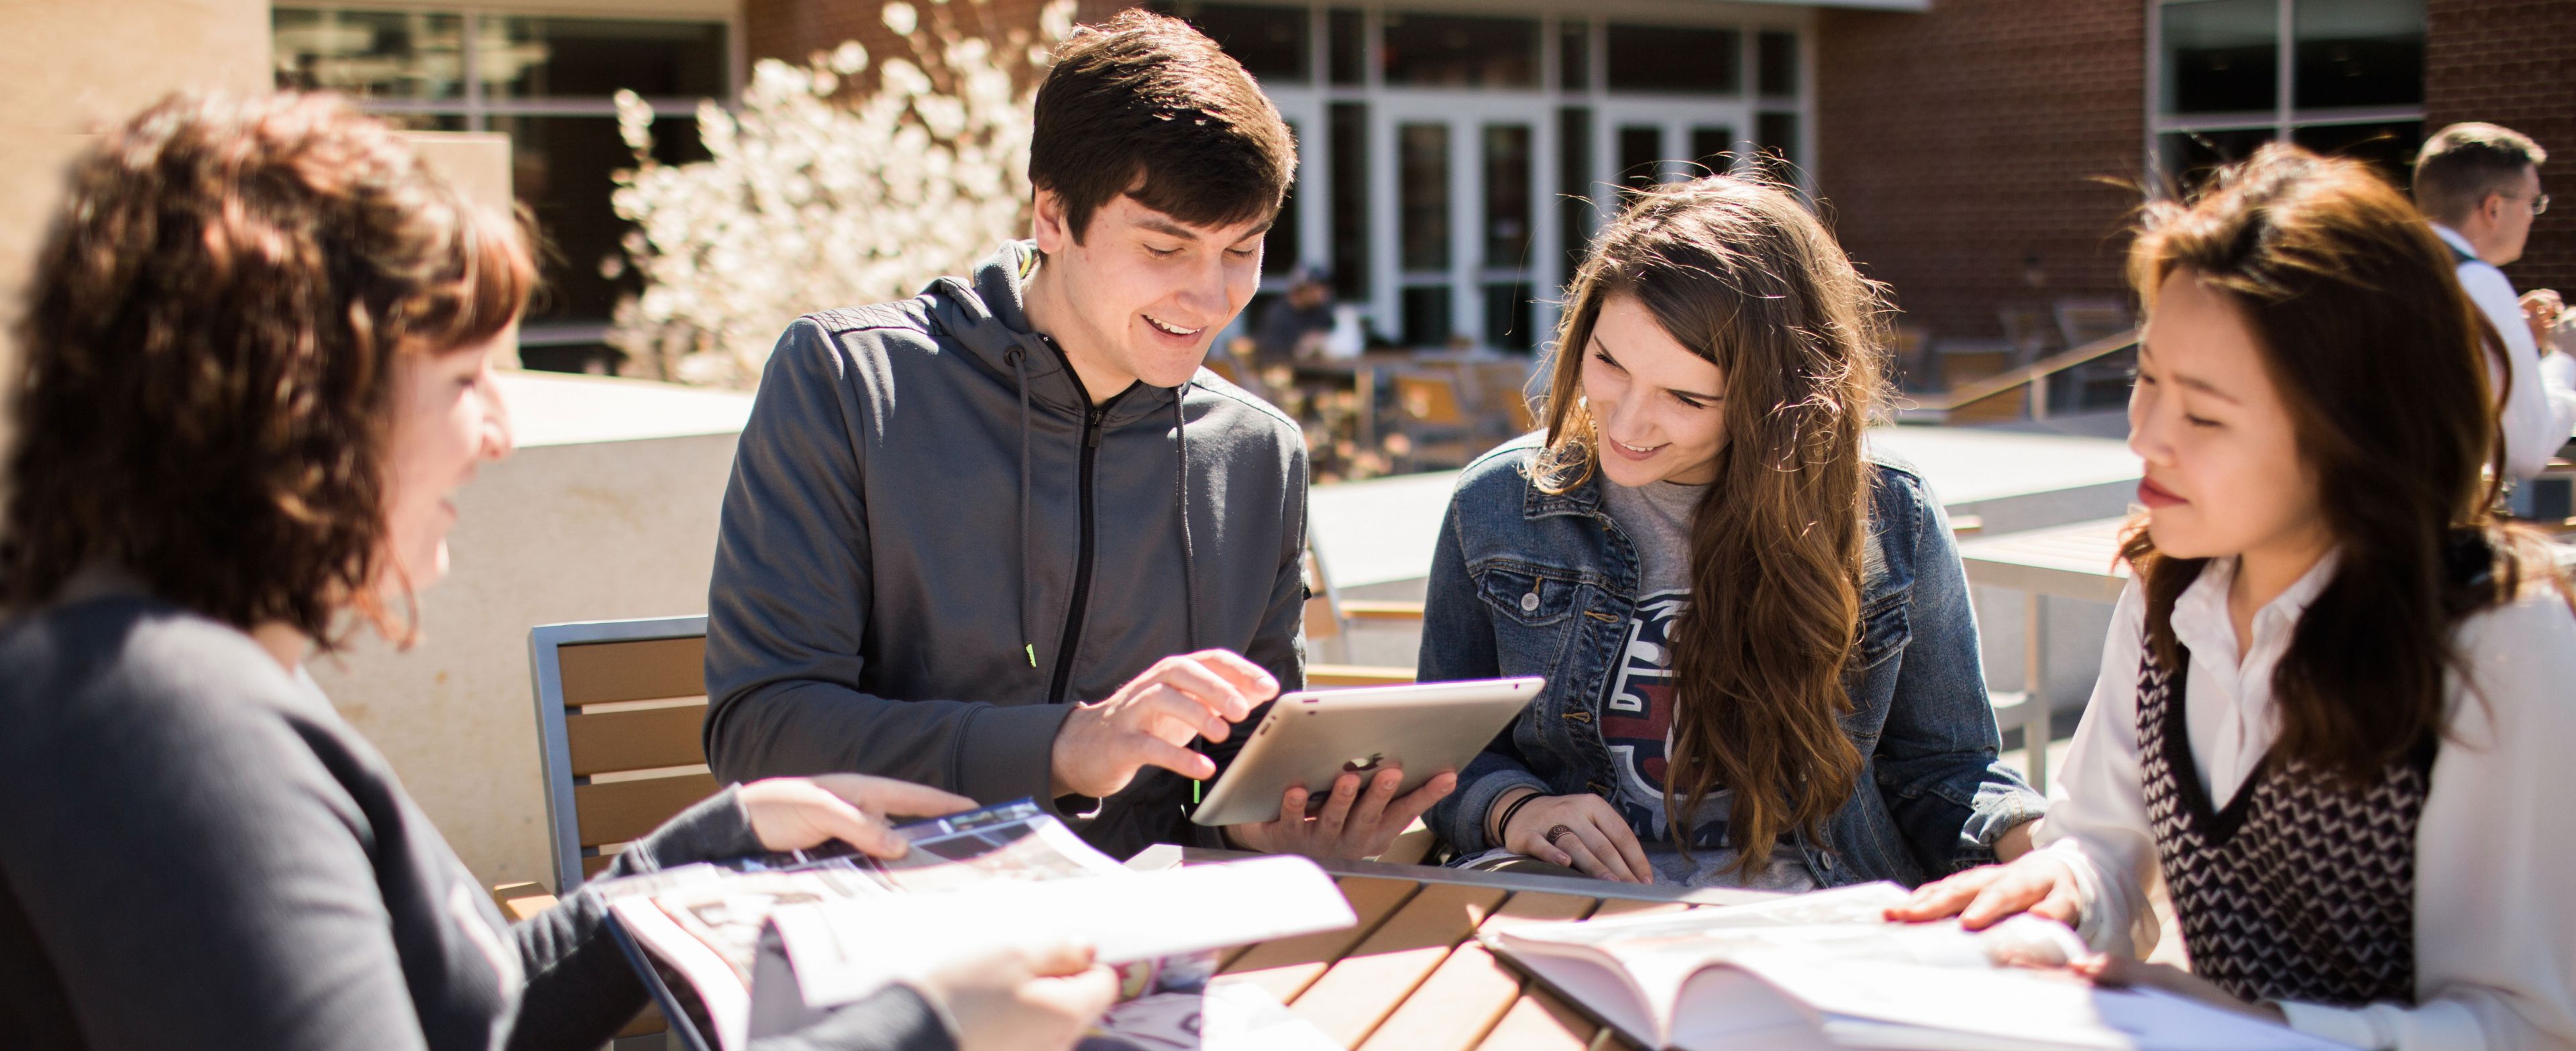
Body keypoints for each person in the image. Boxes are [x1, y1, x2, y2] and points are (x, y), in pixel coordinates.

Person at [0, 92, 1116, 1051]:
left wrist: (714, 845)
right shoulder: (162, 722)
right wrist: (924, 1025)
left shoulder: (167, 670)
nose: (498, 433)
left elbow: (468, 1015)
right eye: (465, 380)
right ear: (305, 402)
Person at [700, 9, 1449, 863]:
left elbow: (1235, 761)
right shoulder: (849, 382)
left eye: (1241, 250)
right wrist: (1065, 747)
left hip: (1147, 933)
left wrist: (1263, 819)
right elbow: (761, 730)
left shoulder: (1256, 453)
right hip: (889, 913)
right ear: (1052, 217)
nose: (1211, 299)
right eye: (1165, 247)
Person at [1894, 145, 2576, 1050]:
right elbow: (2103, 845)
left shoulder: (2495, 636)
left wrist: (2253, 1027)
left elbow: (2525, 1022)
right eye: (2145, 378)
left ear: (2358, 428)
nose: (2145, 433)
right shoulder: (2166, 588)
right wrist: (2060, 884)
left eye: (2205, 413)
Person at [1415, 175, 2045, 889]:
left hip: (1814, 917)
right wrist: (1517, 809)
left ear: (1778, 402)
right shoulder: (1499, 503)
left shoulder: (1888, 513)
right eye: (1609, 364)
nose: (1625, 423)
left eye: (1685, 398)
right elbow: (1445, 755)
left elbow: (1942, 771)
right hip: (1566, 908)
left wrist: (2041, 846)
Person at [2410, 122, 2576, 479]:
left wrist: (2512, 334)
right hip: (2419, 521)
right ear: (2494, 209)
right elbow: (2524, 452)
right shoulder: (2478, 282)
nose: (2534, 215)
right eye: (2533, 201)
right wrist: (2566, 356)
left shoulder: (2386, 263)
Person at [1250, 266, 1335, 369]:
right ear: (1301, 289)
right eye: (1316, 288)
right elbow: (1270, 352)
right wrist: (1301, 347)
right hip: (1281, 373)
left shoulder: (1321, 312)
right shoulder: (1277, 313)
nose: (1322, 293)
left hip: (1319, 372)